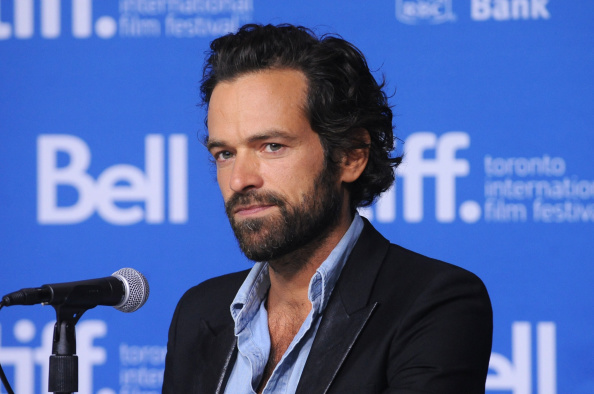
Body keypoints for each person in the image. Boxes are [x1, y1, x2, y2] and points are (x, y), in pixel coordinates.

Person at [163, 23, 492, 394]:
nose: (239, 180)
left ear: (351, 155)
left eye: (271, 146)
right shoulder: (199, 313)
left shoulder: (435, 303)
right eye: (224, 153)